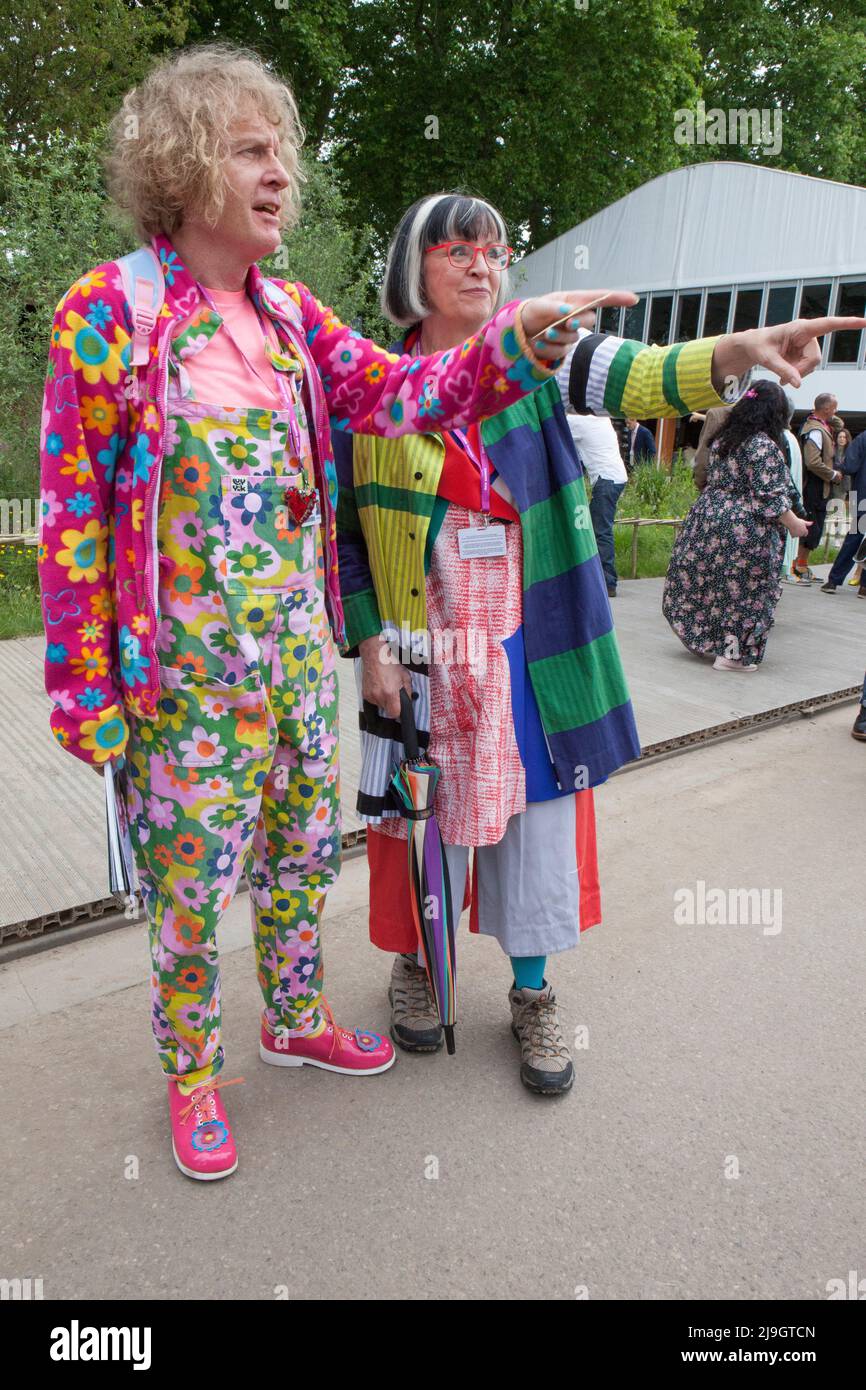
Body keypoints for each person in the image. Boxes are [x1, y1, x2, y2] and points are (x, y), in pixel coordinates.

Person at [36, 46, 625, 1179]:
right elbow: (68, 518)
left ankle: (294, 1015)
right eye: (252, 149)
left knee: (304, 854)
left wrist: (515, 341)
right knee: (190, 886)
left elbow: (407, 390)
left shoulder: (292, 318)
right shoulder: (112, 311)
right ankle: (195, 1077)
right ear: (183, 160)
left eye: (283, 155)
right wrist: (84, 692)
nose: (278, 176)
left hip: (298, 663)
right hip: (184, 682)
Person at [335, 192, 857, 1095]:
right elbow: (346, 531)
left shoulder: (541, 359)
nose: (481, 264)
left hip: (532, 642)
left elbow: (640, 373)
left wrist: (739, 350)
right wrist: (371, 644)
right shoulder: (373, 386)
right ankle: (419, 966)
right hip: (423, 643)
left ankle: (532, 993)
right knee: (420, 817)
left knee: (537, 819)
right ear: (409, 271)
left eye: (494, 250)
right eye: (456, 248)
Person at [662, 381, 812, 670]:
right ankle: (732, 656)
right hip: (744, 528)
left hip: (708, 519)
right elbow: (769, 495)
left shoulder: (724, 438)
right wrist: (795, 525)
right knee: (744, 592)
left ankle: (705, 639)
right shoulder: (762, 445)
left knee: (712, 585)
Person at [557, 311, 628, 597]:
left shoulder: (579, 416)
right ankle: (601, 578)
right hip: (613, 476)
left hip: (607, 480)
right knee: (596, 526)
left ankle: (607, 582)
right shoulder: (596, 414)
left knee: (599, 529)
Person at [795, 392, 843, 582]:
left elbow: (840, 425)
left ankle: (802, 566)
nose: (836, 411)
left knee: (815, 528)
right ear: (826, 409)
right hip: (813, 486)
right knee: (809, 527)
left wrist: (827, 414)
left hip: (819, 485)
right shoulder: (814, 430)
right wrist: (832, 474)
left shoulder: (822, 425)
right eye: (834, 408)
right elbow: (812, 462)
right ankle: (798, 567)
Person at [820, 426, 866, 596]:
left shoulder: (863, 438)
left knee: (853, 539)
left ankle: (834, 581)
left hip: (861, 495)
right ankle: (864, 587)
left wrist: (837, 463)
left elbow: (851, 466)